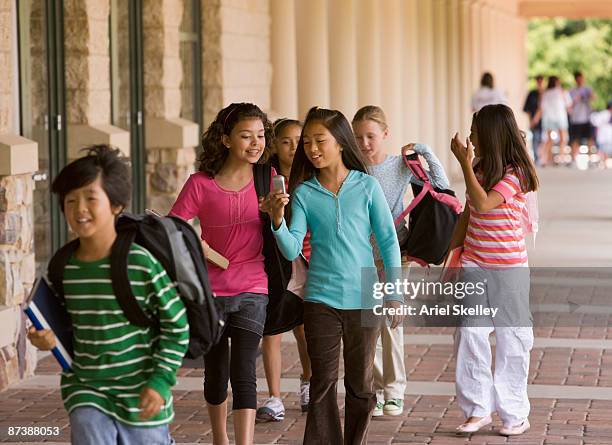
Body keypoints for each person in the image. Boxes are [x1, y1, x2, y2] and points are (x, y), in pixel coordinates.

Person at [27, 145, 189, 445]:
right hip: (87, 389)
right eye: (70, 200)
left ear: (115, 204)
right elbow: (67, 327)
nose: (79, 209)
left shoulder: (140, 263)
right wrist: (47, 339)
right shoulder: (64, 266)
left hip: (143, 393)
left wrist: (160, 382)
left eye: (90, 198)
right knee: (87, 423)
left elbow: (177, 327)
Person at [261, 107, 403, 444]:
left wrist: (394, 293)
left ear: (340, 142)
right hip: (320, 299)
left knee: (361, 386)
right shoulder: (305, 193)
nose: (311, 148)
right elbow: (293, 249)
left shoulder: (367, 186)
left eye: (319, 140)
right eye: (307, 142)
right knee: (323, 383)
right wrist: (278, 220)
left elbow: (387, 241)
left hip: (364, 298)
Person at [169, 103, 273, 445]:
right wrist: (207, 251)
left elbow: (283, 226)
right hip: (210, 292)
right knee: (215, 373)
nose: (255, 143)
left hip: (253, 284)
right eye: (246, 136)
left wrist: (278, 214)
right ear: (226, 140)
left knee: (244, 369)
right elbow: (176, 228)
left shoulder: (268, 179)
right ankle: (220, 440)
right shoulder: (201, 184)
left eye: (260, 135)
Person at [352, 105, 450, 417]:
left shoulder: (399, 165)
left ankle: (394, 391)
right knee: (370, 323)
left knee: (391, 323)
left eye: (371, 136)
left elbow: (441, 182)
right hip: (362, 255)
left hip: (396, 252)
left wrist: (422, 150)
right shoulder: (353, 168)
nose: (365, 143)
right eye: (359, 137)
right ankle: (377, 392)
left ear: (385, 134)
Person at [449, 104, 539, 437]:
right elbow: (469, 213)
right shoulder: (479, 167)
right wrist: (452, 256)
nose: (470, 137)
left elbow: (485, 202)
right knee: (470, 332)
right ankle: (477, 409)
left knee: (512, 338)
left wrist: (463, 164)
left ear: (490, 134)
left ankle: (514, 412)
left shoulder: (517, 173)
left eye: (474, 131)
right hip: (474, 261)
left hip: (509, 268)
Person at [256, 118, 312, 422]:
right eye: (286, 141)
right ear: (274, 144)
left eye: (297, 140)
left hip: (306, 259)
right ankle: (274, 397)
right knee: (272, 330)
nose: (292, 147)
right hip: (273, 262)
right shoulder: (264, 177)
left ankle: (308, 383)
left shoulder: (311, 177)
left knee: (304, 329)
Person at [540, 76, 572, 166]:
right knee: (563, 138)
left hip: (548, 117)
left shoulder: (546, 93)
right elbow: (569, 104)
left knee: (549, 140)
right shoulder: (562, 92)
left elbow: (542, 107)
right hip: (560, 117)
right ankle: (561, 158)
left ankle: (545, 159)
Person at [569, 71, 596, 160]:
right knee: (575, 139)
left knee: (590, 139)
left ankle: (590, 159)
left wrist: (589, 95)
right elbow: (569, 104)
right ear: (576, 80)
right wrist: (577, 98)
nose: (580, 80)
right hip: (576, 118)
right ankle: (573, 159)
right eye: (578, 79)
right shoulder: (572, 91)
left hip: (587, 118)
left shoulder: (587, 89)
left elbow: (594, 98)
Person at [522, 74, 545, 165]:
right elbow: (527, 109)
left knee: (543, 139)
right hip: (534, 122)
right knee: (536, 138)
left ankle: (543, 157)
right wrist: (531, 120)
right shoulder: (532, 93)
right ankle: (537, 157)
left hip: (545, 120)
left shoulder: (545, 93)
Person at [590, 100, 612, 167]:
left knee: (607, 149)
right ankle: (603, 162)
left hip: (608, 135)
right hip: (603, 135)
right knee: (603, 149)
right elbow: (595, 122)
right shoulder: (604, 114)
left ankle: (604, 162)